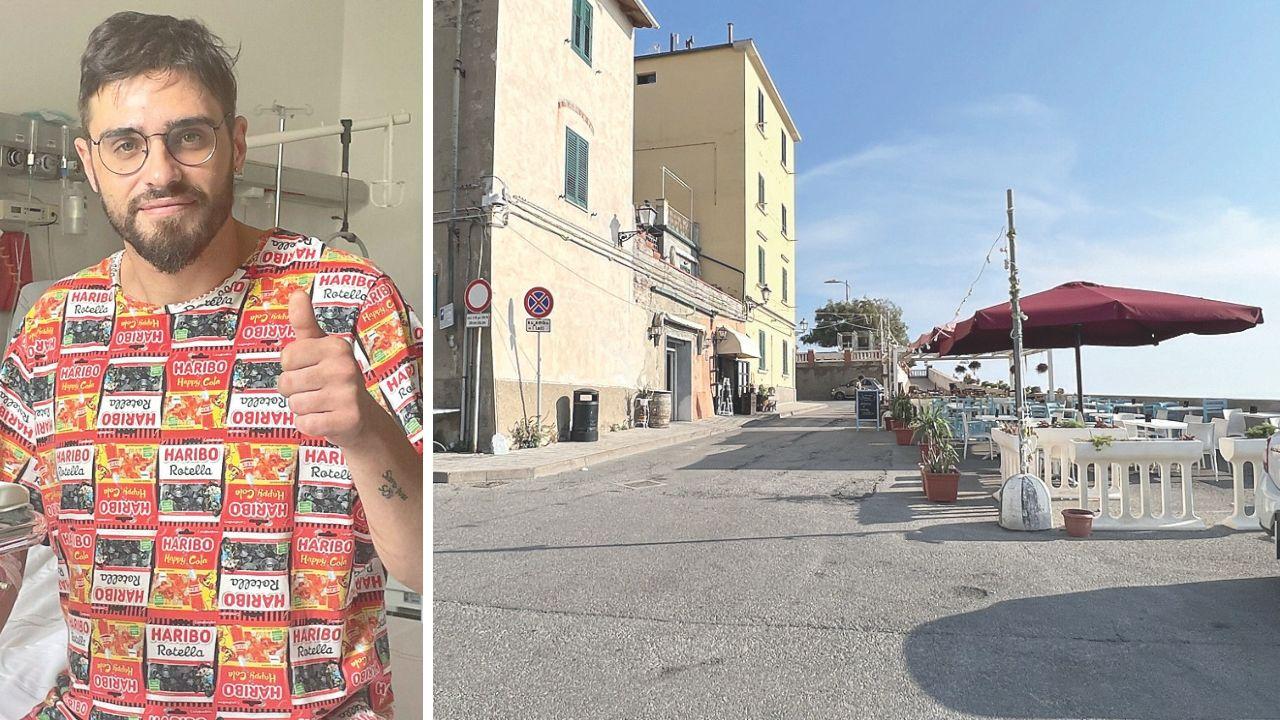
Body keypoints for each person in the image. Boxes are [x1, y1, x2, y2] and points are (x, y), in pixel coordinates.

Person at [0, 12, 423, 719]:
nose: (159, 172)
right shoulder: (47, 332)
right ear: (88, 161)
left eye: (188, 136)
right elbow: (7, 548)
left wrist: (367, 435)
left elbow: (423, 565)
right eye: (126, 144)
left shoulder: (351, 300)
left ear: (236, 143)